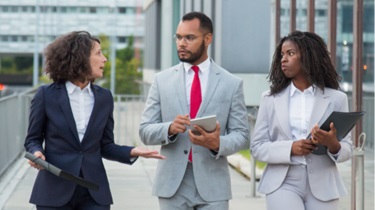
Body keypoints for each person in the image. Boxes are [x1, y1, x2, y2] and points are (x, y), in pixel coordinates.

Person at [24, 31, 165, 210]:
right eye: (98, 53)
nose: (104, 59)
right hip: (54, 190)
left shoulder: (104, 98)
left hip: (94, 192)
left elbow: (105, 145)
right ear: (79, 58)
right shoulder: (46, 95)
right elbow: (32, 139)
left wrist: (132, 151)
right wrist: (36, 153)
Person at [139, 11, 249, 210]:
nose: (181, 43)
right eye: (179, 37)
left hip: (213, 186)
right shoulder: (161, 81)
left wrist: (217, 143)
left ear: (208, 39)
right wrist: (170, 129)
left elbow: (242, 135)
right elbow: (145, 131)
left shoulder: (231, 84)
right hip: (172, 185)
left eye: (189, 38)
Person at [250, 30, 352, 210]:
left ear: (309, 57)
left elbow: (348, 148)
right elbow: (257, 147)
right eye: (282, 54)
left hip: (324, 184)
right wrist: (291, 148)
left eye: (290, 53)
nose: (283, 59)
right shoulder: (270, 98)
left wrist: (332, 144)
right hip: (282, 182)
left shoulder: (337, 99)